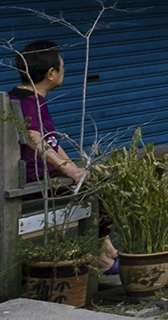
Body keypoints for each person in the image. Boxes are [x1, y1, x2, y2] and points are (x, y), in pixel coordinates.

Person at [10, 41, 117, 285]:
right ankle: (102, 257)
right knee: (99, 192)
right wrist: (68, 169)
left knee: (93, 181)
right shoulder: (30, 103)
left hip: (25, 178)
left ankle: (106, 249)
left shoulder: (18, 96)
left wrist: (77, 169)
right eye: (62, 67)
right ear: (51, 74)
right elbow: (33, 138)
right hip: (27, 184)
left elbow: (52, 143)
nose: (63, 71)